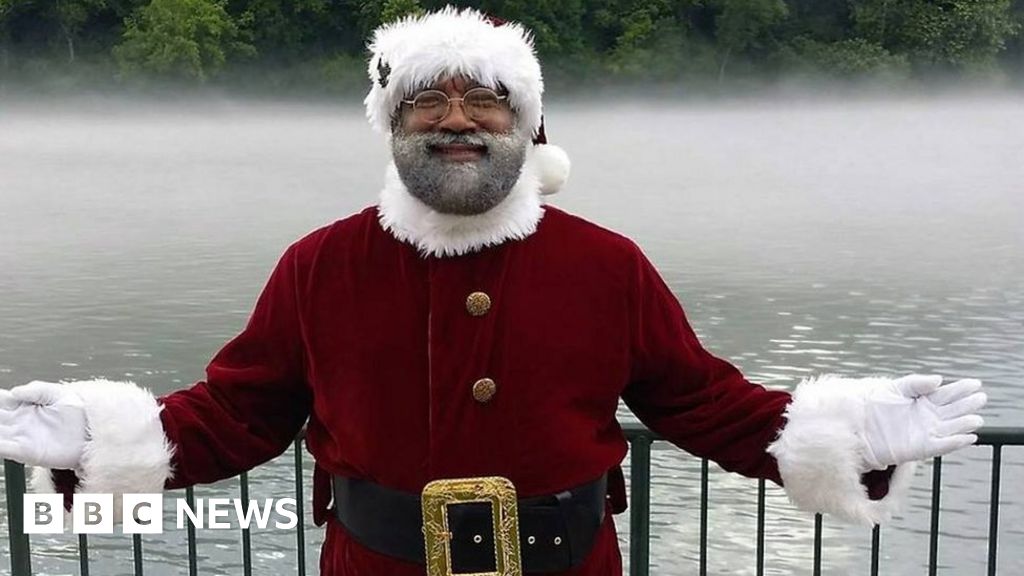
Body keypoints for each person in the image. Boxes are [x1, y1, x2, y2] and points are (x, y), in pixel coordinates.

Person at [0, 7, 987, 576]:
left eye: (486, 101)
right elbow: (239, 413)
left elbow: (703, 402)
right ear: (391, 128)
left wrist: (846, 434)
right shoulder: (320, 267)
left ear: (531, 130)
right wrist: (103, 444)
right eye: (428, 100)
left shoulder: (607, 265)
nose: (456, 120)